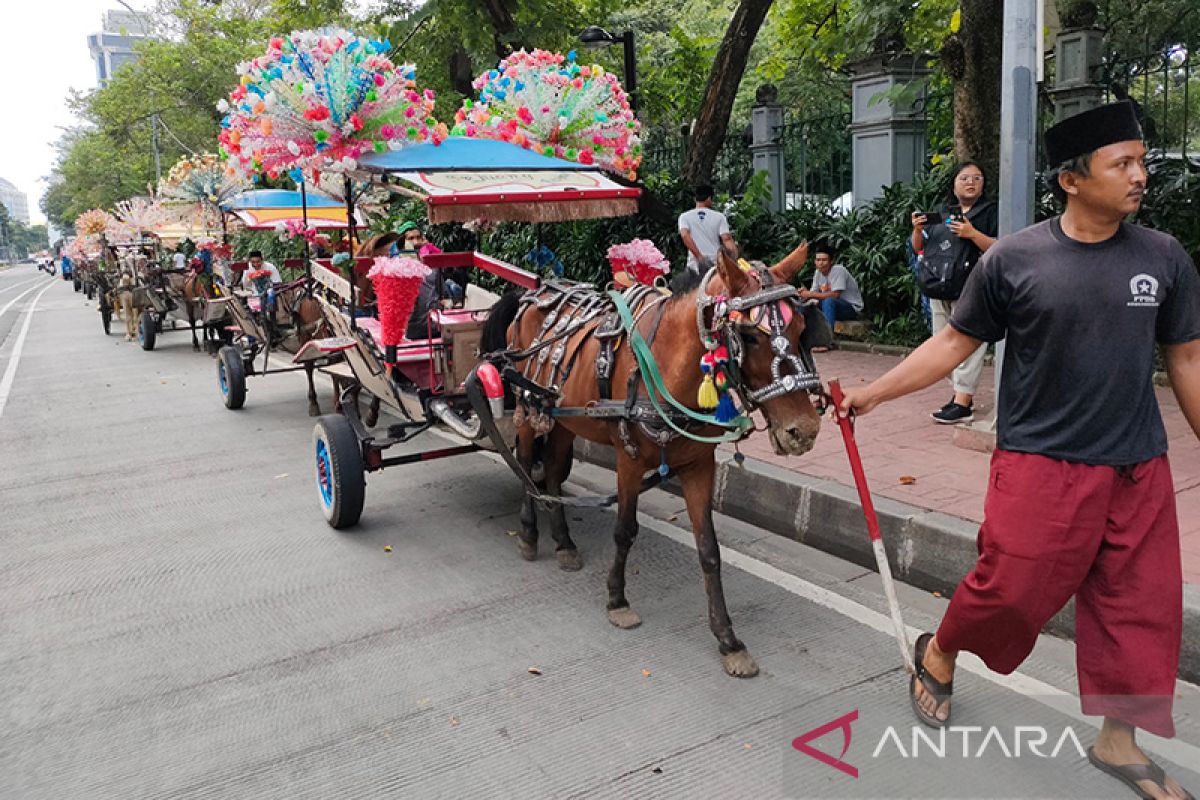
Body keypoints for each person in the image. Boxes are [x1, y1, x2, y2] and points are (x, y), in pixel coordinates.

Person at [840, 100, 1200, 800]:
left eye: (1141, 161)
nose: (1140, 176)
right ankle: (939, 651)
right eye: (1122, 163)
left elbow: (1186, 359)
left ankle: (1118, 740)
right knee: (1008, 589)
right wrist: (872, 393)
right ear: (1071, 179)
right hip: (1042, 462)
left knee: (1142, 607)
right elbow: (953, 342)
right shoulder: (1015, 259)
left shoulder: (1162, 257)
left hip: (1137, 466)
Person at [911, 160, 999, 424]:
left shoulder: (990, 212)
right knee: (943, 344)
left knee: (969, 344)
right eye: (965, 178)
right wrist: (917, 229)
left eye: (977, 178)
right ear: (954, 183)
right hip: (940, 285)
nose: (971, 182)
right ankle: (962, 395)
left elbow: (999, 247)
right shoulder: (943, 212)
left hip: (973, 287)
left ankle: (963, 402)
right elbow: (920, 248)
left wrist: (972, 234)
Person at [798, 244, 863, 352]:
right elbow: (814, 294)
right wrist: (804, 294)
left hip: (850, 308)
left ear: (831, 261)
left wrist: (810, 294)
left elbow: (835, 295)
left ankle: (827, 342)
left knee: (829, 301)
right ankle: (800, 338)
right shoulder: (818, 273)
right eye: (818, 260)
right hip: (830, 306)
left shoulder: (839, 270)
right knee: (804, 304)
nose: (820, 263)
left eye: (824, 260)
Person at [678, 184, 738, 272]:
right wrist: (735, 258)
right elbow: (727, 239)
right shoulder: (719, 217)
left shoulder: (684, 217)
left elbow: (685, 235)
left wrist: (699, 257)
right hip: (716, 266)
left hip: (694, 266)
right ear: (709, 198)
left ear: (695, 199)